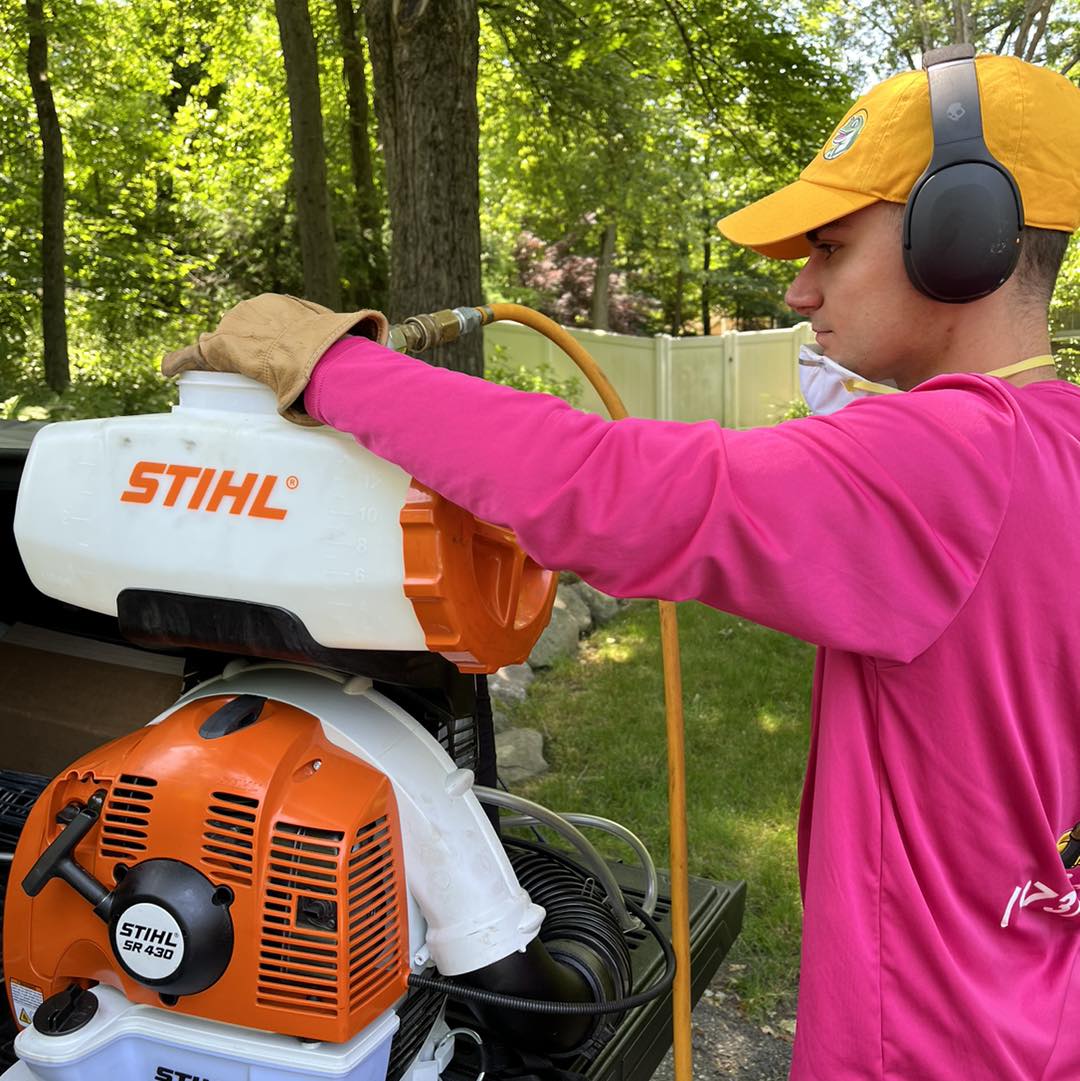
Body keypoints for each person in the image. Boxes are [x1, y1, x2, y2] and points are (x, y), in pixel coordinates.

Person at [164, 52, 1080, 1081]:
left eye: (830, 244)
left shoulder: (949, 462)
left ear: (962, 237)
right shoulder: (1053, 447)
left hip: (915, 1044)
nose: (798, 284)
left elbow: (604, 485)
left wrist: (327, 361)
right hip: (1032, 1008)